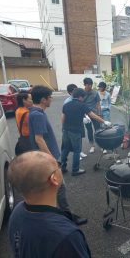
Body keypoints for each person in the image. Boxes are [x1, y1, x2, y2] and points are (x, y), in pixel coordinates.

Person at [8, 151, 91, 257]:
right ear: (54, 179)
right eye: (58, 165)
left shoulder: (17, 212)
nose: (60, 167)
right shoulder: (66, 237)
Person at [29, 85, 87, 225]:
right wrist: (53, 161)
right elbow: (39, 139)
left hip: (45, 159)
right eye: (49, 97)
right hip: (47, 161)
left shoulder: (37, 113)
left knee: (56, 189)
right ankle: (62, 218)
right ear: (43, 99)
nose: (51, 99)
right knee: (58, 188)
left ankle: (63, 216)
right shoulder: (37, 115)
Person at [61, 88, 111, 176]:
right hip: (75, 130)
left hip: (66, 130)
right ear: (80, 97)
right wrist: (104, 121)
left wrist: (64, 128)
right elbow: (92, 115)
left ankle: (62, 168)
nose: (83, 98)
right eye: (83, 97)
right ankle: (75, 170)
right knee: (77, 150)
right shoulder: (82, 105)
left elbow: (63, 118)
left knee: (65, 149)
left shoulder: (66, 104)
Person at [64, 83, 88, 160]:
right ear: (70, 92)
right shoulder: (67, 101)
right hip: (72, 125)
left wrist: (85, 117)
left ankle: (80, 151)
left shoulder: (79, 100)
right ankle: (76, 153)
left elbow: (82, 110)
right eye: (75, 90)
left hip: (79, 123)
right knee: (73, 140)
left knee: (80, 137)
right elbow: (66, 115)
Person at [83, 77, 101, 154]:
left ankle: (101, 145)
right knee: (89, 131)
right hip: (86, 116)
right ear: (84, 85)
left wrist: (99, 114)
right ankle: (92, 146)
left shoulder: (95, 93)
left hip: (95, 114)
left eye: (91, 85)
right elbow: (80, 104)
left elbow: (98, 104)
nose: (90, 86)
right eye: (88, 85)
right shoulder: (82, 93)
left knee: (98, 130)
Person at [98, 81, 111, 153]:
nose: (100, 88)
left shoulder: (108, 94)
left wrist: (108, 109)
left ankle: (108, 143)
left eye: (101, 87)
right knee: (101, 127)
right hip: (99, 112)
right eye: (99, 87)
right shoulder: (97, 94)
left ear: (104, 87)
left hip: (106, 111)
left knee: (107, 126)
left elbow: (110, 102)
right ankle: (103, 146)